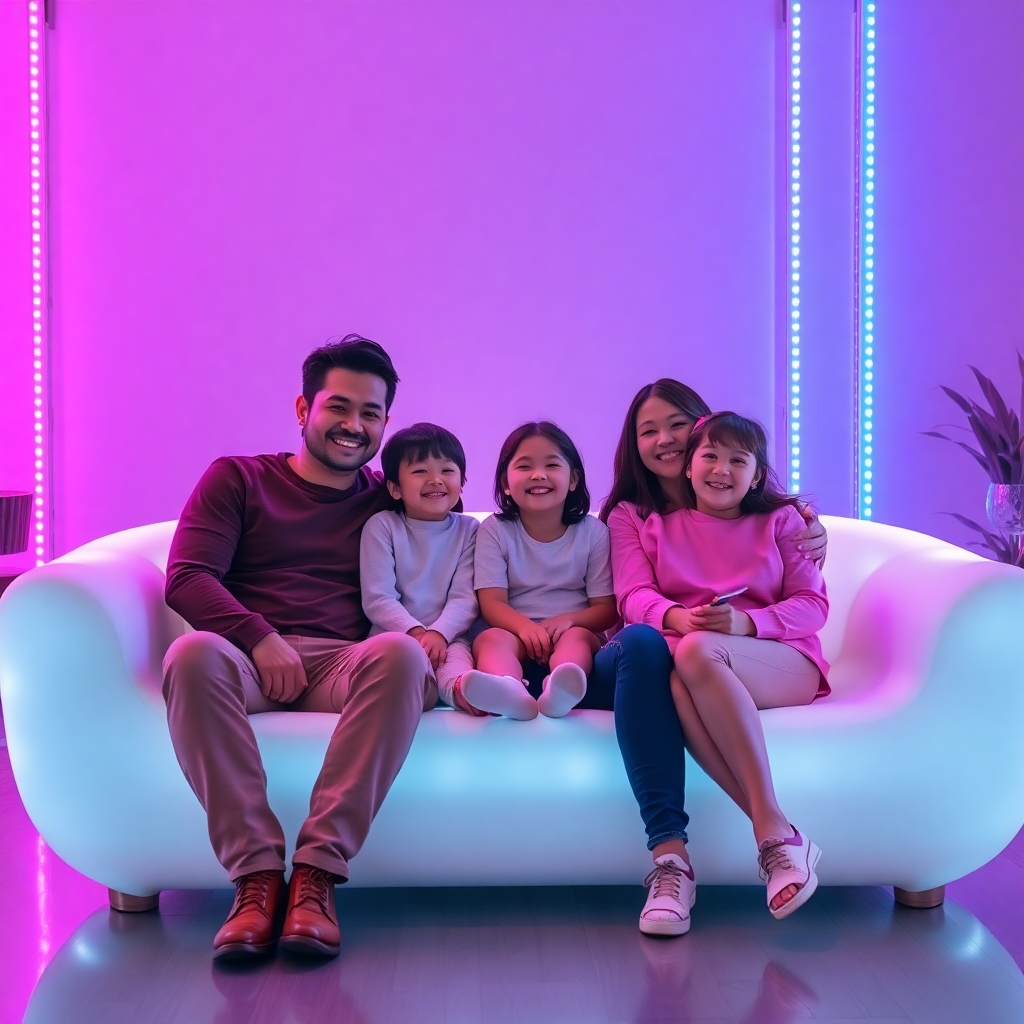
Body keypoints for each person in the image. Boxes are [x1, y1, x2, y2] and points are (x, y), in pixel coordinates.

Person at [162, 335, 436, 962]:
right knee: (190, 655)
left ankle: (316, 874)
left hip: (345, 661)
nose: (354, 425)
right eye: (338, 407)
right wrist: (260, 638)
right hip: (248, 658)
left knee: (400, 654)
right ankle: (256, 878)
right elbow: (187, 577)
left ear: (386, 423)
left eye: (371, 413)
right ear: (302, 408)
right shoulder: (238, 477)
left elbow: (461, 546)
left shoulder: (387, 498)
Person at [598, 379, 828, 938]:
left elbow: (812, 604)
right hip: (688, 658)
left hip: (774, 657)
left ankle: (772, 829)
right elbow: (633, 596)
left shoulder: (780, 518)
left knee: (694, 656)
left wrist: (749, 622)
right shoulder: (636, 517)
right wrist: (682, 619)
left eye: (677, 424)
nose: (665, 439)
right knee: (680, 677)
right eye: (647, 430)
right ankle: (774, 841)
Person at [465, 422, 620, 719]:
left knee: (577, 639)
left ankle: (561, 687)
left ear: (573, 479)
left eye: (552, 464)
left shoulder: (593, 532)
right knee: (489, 639)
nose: (539, 475)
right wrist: (525, 628)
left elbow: (606, 609)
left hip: (571, 630)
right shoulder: (495, 531)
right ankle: (509, 690)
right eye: (524, 466)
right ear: (506, 484)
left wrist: (568, 619)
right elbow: (491, 603)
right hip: (513, 631)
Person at [359, 423, 481, 714]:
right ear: (395, 488)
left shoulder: (470, 530)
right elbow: (378, 598)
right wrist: (415, 631)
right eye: (420, 471)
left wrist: (438, 633)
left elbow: (465, 598)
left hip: (449, 637)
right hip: (393, 637)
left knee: (456, 666)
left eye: (447, 471)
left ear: (462, 481)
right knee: (394, 665)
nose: (436, 480)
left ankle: (471, 694)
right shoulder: (383, 526)